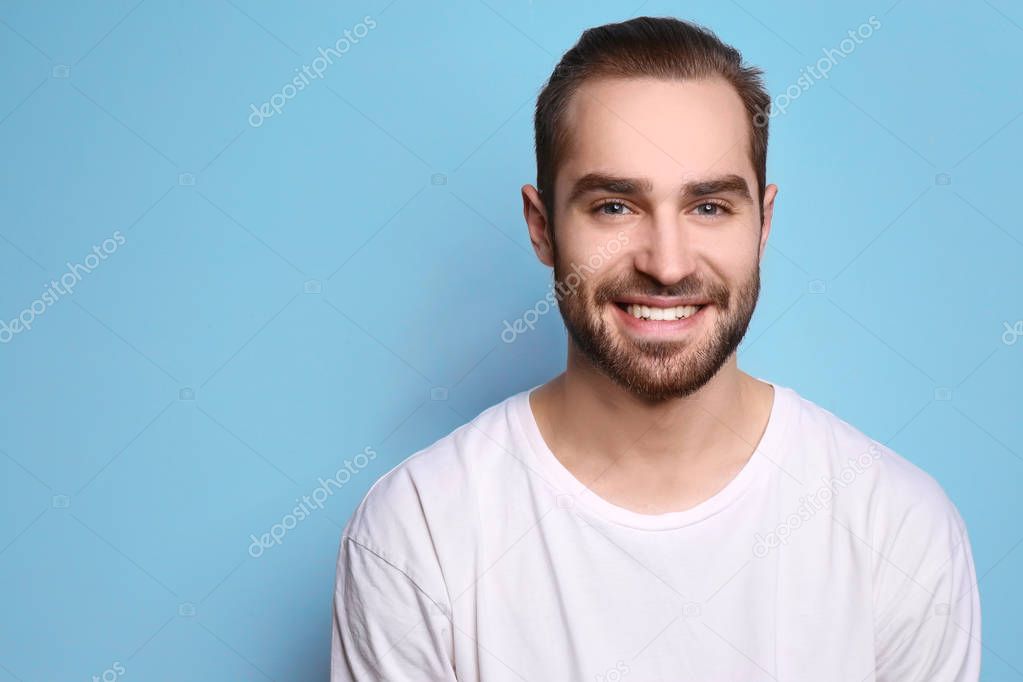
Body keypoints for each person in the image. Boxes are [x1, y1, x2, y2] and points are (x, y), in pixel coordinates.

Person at [331, 15, 981, 681]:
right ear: (541, 227)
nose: (666, 266)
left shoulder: (896, 528)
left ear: (763, 224)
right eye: (614, 206)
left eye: (708, 208)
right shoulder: (418, 532)